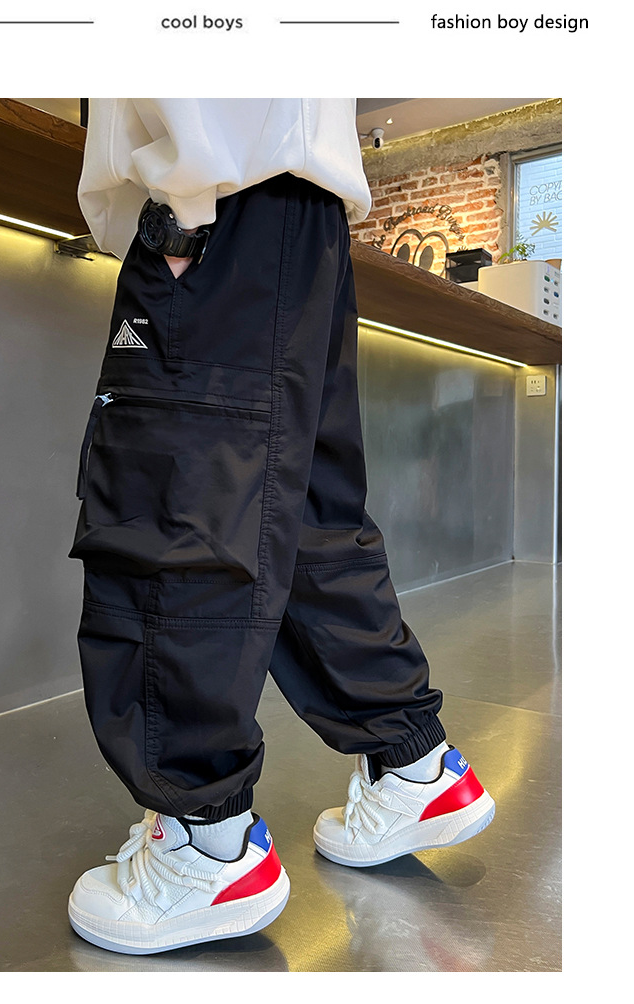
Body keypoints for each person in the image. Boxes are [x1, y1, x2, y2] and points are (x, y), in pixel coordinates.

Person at [67, 98, 495, 956]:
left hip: (211, 210)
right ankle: (414, 765)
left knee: (174, 511)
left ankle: (204, 849)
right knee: (301, 518)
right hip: (299, 219)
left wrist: (183, 208)